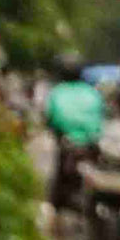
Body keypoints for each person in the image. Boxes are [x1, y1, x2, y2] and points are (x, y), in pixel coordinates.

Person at [41, 57, 108, 212]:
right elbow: (102, 115)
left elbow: (50, 118)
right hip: (92, 145)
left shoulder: (56, 93)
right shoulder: (92, 91)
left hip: (68, 145)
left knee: (57, 185)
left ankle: (54, 210)